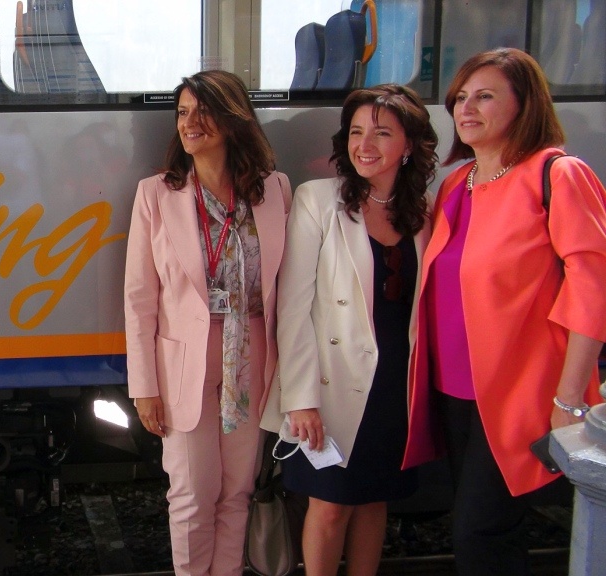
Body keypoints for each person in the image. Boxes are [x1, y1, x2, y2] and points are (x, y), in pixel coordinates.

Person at [401, 47, 606, 575]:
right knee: (488, 533)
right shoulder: (456, 183)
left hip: (520, 394)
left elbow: (594, 290)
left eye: (485, 96)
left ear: (525, 103)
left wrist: (569, 400)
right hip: (453, 392)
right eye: (460, 98)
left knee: (480, 533)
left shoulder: (558, 174)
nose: (466, 108)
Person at [260, 84, 438, 576]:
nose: (365, 144)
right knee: (330, 505)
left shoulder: (423, 209)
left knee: (375, 500)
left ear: (409, 144)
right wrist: (300, 398)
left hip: (395, 381)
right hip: (330, 382)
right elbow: (293, 308)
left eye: (382, 133)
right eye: (356, 132)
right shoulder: (319, 199)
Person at [124, 70, 291, 576]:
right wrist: (144, 388)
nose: (189, 122)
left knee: (237, 493)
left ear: (234, 118)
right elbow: (139, 299)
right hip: (182, 366)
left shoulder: (274, 189)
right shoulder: (157, 194)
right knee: (192, 495)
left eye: (203, 111)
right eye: (182, 112)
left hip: (251, 359)